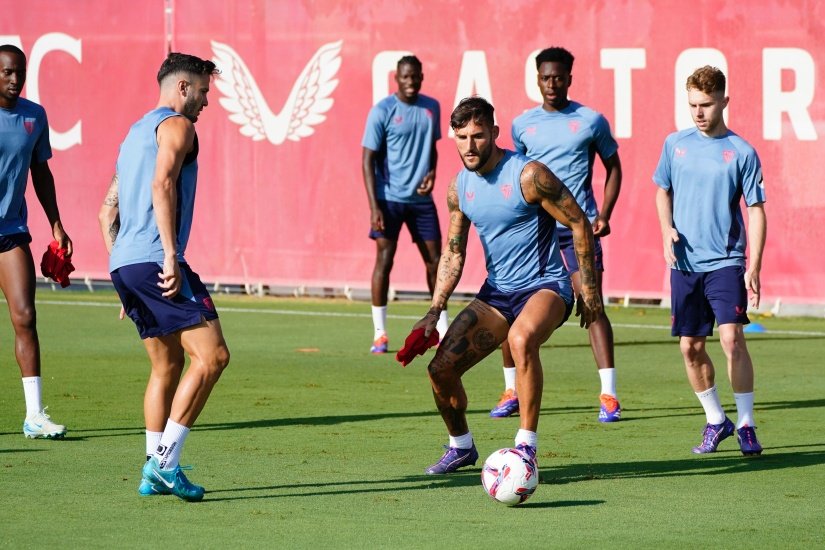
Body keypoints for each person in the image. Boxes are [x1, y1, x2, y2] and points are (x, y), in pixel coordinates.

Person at [408, 96, 602, 474]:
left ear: (494, 133)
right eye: (461, 137)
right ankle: (461, 446)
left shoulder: (529, 175)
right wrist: (434, 311)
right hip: (497, 293)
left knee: (520, 340)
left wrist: (590, 290)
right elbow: (453, 252)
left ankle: (525, 447)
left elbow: (579, 222)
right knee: (440, 370)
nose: (470, 145)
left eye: (478, 136)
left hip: (546, 285)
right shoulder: (459, 188)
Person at [98, 52, 230, 501]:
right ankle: (165, 464)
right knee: (213, 358)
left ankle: (150, 467)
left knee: (166, 365)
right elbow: (162, 184)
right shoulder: (178, 126)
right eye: (203, 92)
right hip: (157, 259)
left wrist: (124, 274)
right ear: (182, 88)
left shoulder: (134, 134)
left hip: (128, 264)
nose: (205, 103)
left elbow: (106, 211)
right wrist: (170, 256)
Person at [493, 46, 622, 422]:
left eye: (559, 77)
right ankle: (511, 389)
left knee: (591, 301)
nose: (552, 83)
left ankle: (609, 394)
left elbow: (614, 167)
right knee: (509, 304)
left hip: (575, 228)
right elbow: (514, 174)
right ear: (538, 79)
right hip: (533, 234)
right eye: (545, 77)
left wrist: (604, 213)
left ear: (569, 77)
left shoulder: (590, 120)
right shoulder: (522, 125)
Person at [653, 66, 766, 456]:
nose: (698, 112)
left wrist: (754, 265)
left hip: (726, 260)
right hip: (684, 264)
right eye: (692, 105)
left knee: (732, 338)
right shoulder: (674, 144)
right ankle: (717, 420)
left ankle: (748, 425)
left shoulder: (742, 152)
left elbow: (756, 210)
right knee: (690, 347)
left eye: (705, 104)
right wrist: (666, 227)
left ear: (724, 101)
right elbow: (661, 191)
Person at [0, 44, 71, 439]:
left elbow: (40, 173)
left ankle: (34, 415)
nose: (14, 80)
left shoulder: (33, 115)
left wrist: (57, 225)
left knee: (25, 317)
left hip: (10, 232)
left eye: (19, 73)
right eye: (7, 72)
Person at [361, 55, 448, 354]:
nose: (410, 82)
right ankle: (380, 333)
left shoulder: (431, 107)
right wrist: (374, 207)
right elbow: (367, 158)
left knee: (436, 262)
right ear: (396, 78)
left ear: (421, 77)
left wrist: (433, 172)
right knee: (385, 261)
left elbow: (433, 149)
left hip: (421, 200)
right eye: (405, 77)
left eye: (415, 77)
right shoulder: (383, 110)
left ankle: (442, 326)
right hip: (388, 199)